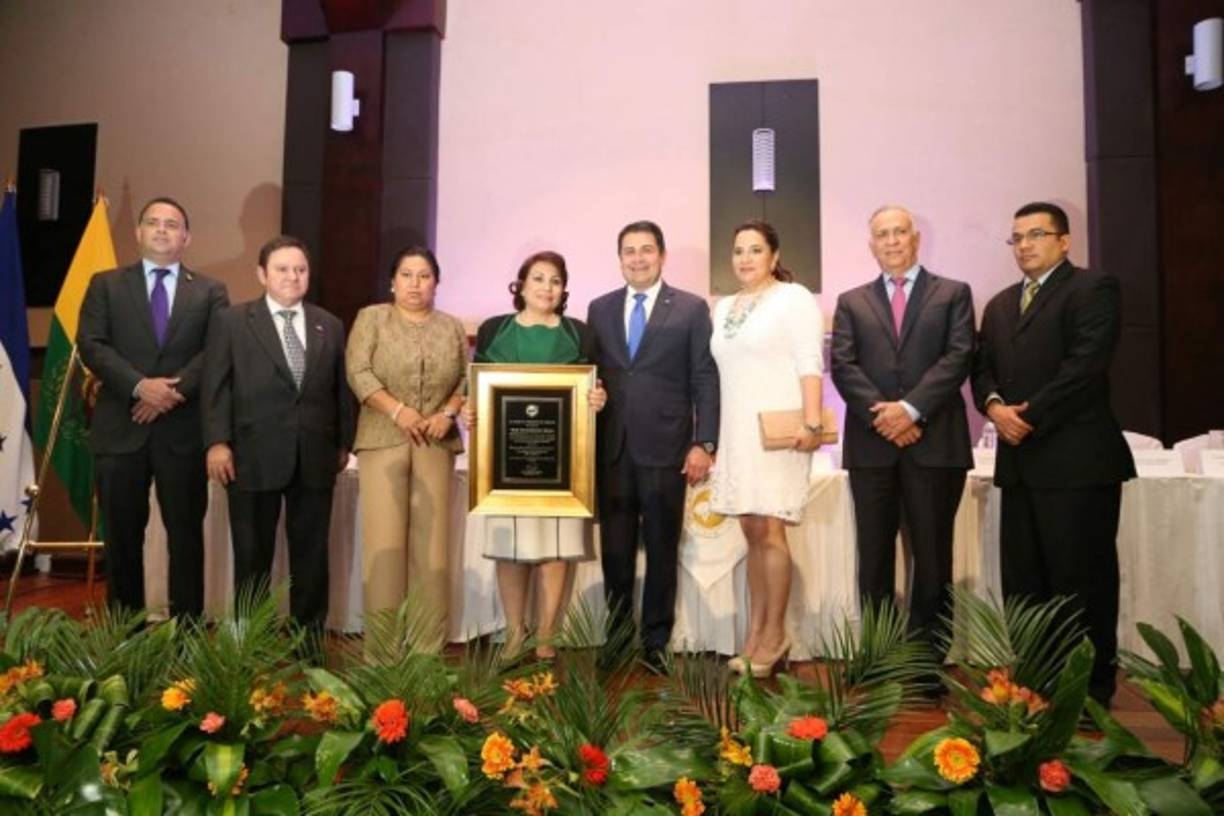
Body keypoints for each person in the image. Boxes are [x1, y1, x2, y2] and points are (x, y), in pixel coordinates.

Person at [971, 201, 1135, 706]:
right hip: (1020, 466)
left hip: (1077, 462)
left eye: (1036, 235)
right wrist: (994, 407)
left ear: (1064, 241)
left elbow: (1084, 369)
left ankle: (1087, 692)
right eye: (1017, 237)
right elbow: (983, 369)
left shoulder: (1092, 289)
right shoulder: (999, 304)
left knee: (1080, 582)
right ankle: (1034, 687)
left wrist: (1027, 416)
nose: (1024, 245)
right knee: (1025, 584)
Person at [831, 205, 975, 673]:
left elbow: (958, 357)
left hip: (934, 446)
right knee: (873, 557)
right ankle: (878, 656)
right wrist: (886, 416)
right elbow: (843, 366)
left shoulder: (952, 293)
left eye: (898, 232)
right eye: (881, 234)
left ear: (915, 238)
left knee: (932, 557)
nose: (891, 241)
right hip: (872, 448)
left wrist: (910, 410)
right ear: (870, 244)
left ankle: (925, 662)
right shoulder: (852, 301)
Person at [77, 197, 228, 617]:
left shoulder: (211, 291)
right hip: (120, 429)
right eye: (153, 223)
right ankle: (126, 639)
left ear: (186, 238)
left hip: (182, 432)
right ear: (139, 233)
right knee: (122, 541)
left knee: (185, 539)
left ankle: (187, 640)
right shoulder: (105, 284)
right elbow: (91, 344)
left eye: (172, 224)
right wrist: (140, 386)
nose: (162, 230)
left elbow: (216, 351)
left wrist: (166, 396)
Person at [202, 236, 353, 630]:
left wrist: (342, 444)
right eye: (283, 269)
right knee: (252, 556)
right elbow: (215, 386)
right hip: (251, 456)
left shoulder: (329, 325)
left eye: (300, 270)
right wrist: (217, 442)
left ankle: (309, 647)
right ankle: (248, 647)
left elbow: (340, 390)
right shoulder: (232, 322)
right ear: (261, 274)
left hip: (314, 458)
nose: (292, 277)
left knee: (311, 556)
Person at [586, 220, 719, 667]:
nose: (638, 258)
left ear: (662, 256)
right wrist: (594, 396)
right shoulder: (599, 308)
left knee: (662, 547)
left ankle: (655, 642)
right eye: (629, 251)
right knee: (616, 550)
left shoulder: (690, 308)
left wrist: (705, 442)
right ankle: (618, 638)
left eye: (646, 250)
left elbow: (704, 376)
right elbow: (592, 375)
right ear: (619, 257)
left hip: (668, 448)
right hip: (613, 449)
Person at [464, 251, 608, 660]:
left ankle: (546, 633)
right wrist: (469, 407)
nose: (547, 287)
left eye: (555, 280)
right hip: (504, 464)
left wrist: (599, 396)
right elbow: (476, 386)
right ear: (521, 285)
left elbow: (596, 384)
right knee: (509, 548)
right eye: (538, 278)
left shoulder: (578, 334)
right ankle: (513, 632)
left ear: (564, 289)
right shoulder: (495, 330)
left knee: (555, 547)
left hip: (562, 464)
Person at [710, 220, 824, 677]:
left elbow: (809, 361)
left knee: (772, 530)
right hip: (738, 432)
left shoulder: (793, 298)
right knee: (752, 531)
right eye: (738, 250)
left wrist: (813, 420)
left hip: (780, 431)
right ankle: (756, 634)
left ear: (774, 257)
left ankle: (776, 636)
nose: (744, 258)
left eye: (755, 250)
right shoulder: (724, 307)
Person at [345, 246, 467, 649]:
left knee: (432, 554)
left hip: (436, 440)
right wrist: (398, 411)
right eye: (407, 275)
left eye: (425, 275)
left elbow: (466, 379)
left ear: (436, 283)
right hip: (383, 438)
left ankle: (426, 653)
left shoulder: (451, 326)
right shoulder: (372, 318)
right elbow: (358, 371)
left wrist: (447, 413)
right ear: (392, 281)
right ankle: (382, 653)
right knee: (385, 547)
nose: (416, 284)